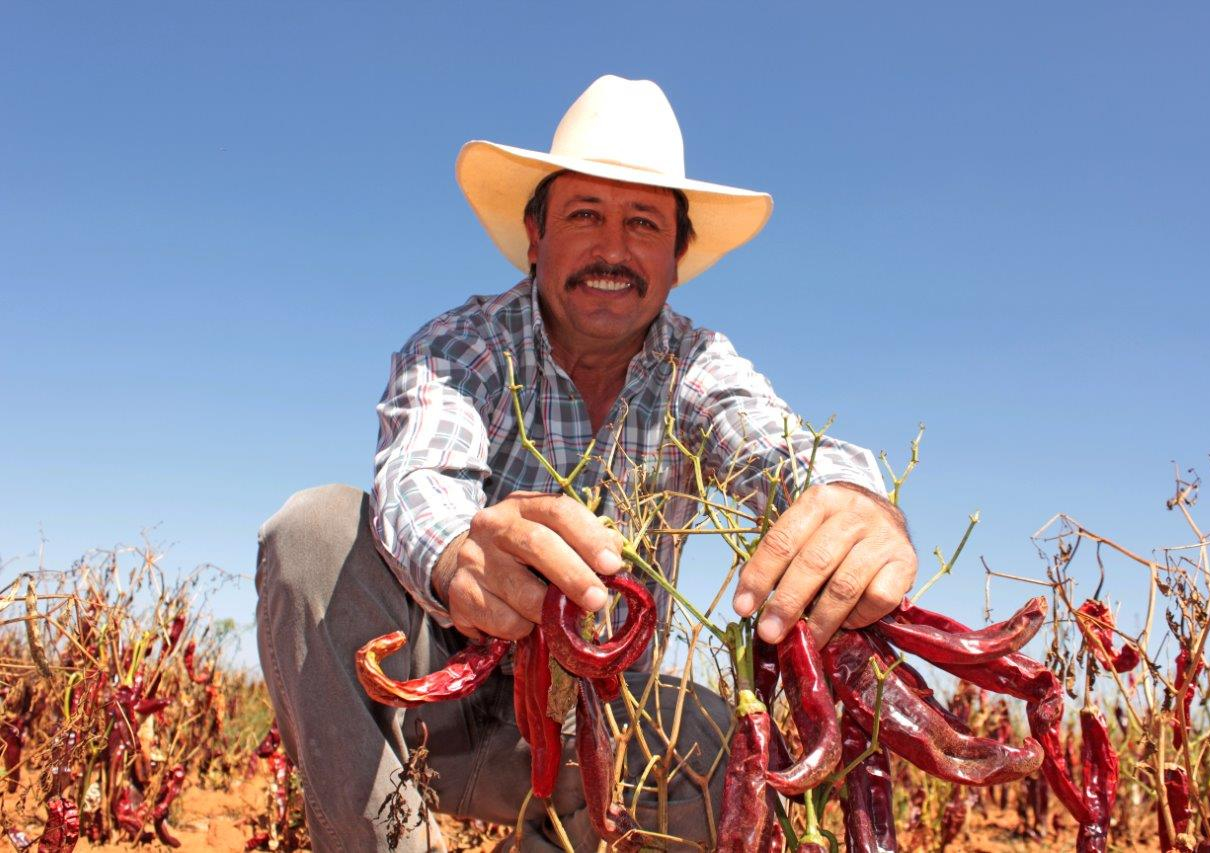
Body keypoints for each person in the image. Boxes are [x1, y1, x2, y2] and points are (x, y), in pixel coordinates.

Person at [256, 75, 917, 852]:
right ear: (535, 238)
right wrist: (462, 551)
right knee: (314, 531)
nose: (612, 249)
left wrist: (854, 500)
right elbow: (419, 479)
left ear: (677, 256)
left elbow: (776, 445)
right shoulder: (468, 345)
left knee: (721, 736)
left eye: (643, 222)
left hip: (594, 729)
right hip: (430, 699)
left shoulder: (695, 367)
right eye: (584, 216)